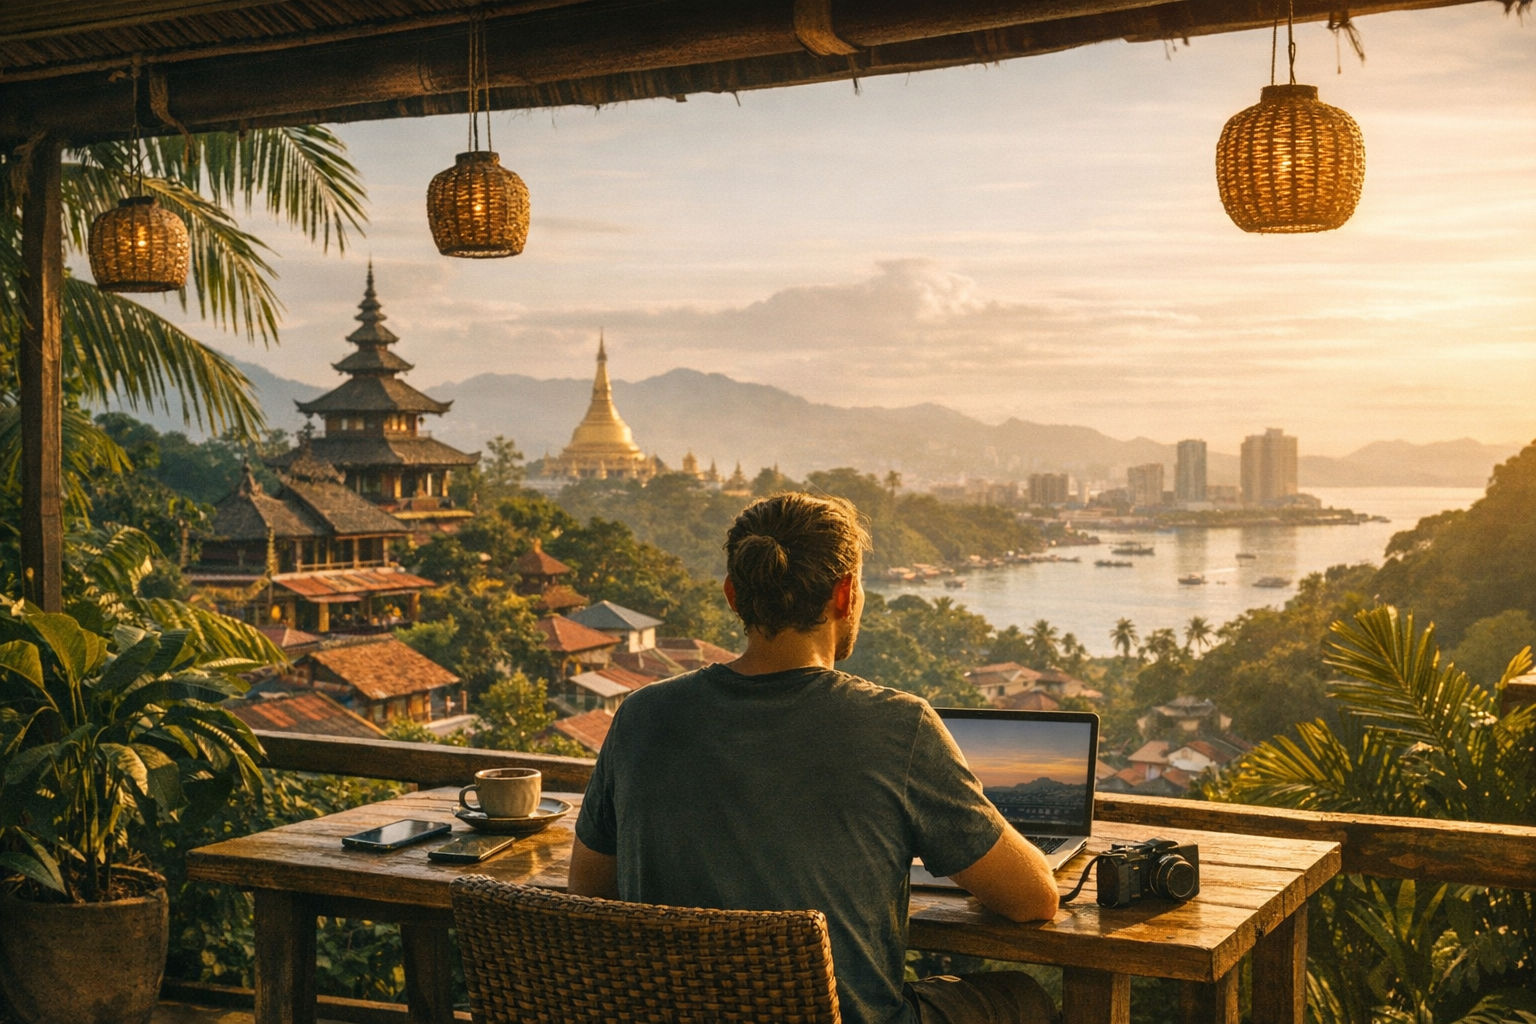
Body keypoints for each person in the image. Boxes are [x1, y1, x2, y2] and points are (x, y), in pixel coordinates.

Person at [569, 492, 1060, 1024]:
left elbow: (589, 888)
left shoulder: (641, 716)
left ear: (733, 595)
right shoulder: (897, 728)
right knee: (1021, 997)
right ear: (845, 594)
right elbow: (1033, 899)